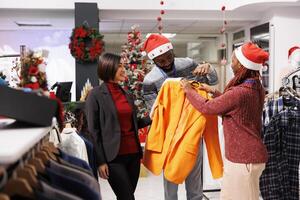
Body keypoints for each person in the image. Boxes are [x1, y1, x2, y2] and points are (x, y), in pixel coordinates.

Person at [180, 42, 269, 200]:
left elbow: (208, 108)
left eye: (233, 60)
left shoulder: (240, 92)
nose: (231, 63)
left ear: (242, 65)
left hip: (243, 159)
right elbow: (236, 110)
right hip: (245, 156)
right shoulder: (256, 87)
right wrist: (214, 91)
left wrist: (188, 90)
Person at [142, 33, 218, 200]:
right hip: (170, 138)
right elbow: (153, 114)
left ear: (173, 52)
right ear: (153, 61)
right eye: (161, 61)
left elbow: (212, 82)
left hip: (193, 132)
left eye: (169, 57)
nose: (167, 62)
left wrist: (209, 68)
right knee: (170, 185)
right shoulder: (150, 80)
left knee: (195, 186)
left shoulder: (188, 64)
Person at [85, 53, 151, 200]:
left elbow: (132, 123)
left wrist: (151, 118)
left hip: (133, 155)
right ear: (108, 67)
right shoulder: (95, 95)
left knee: (126, 197)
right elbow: (93, 132)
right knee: (127, 198)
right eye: (119, 66)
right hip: (113, 158)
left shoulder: (126, 93)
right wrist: (101, 161)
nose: (124, 69)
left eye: (123, 66)